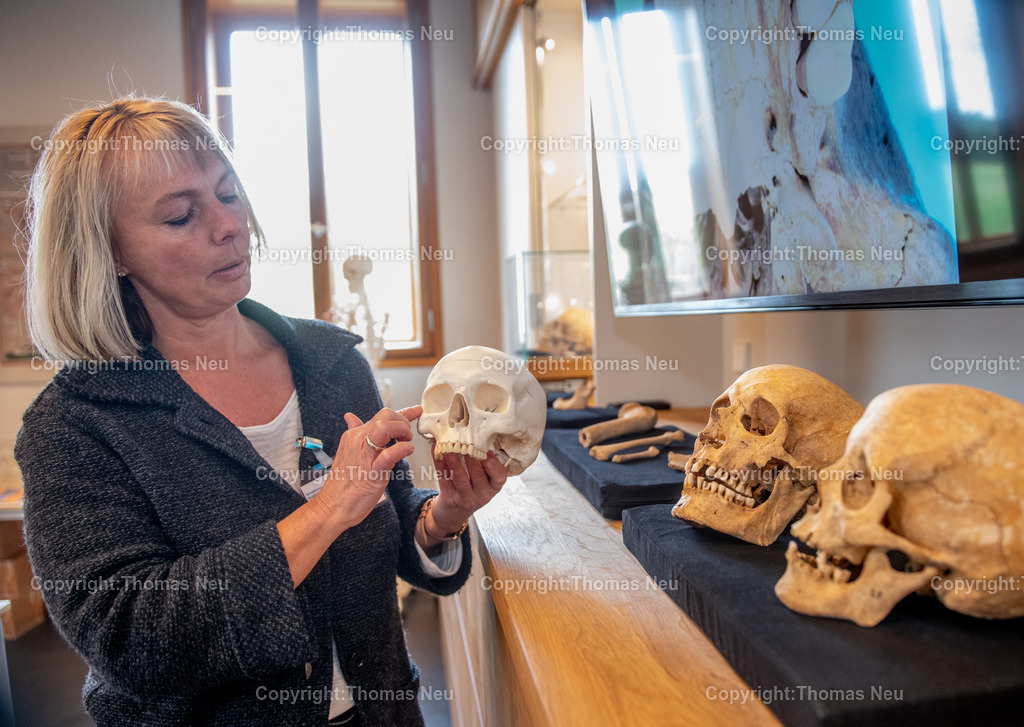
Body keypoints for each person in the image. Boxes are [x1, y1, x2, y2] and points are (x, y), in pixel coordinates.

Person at [16, 97, 507, 726]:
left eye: (228, 194)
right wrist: (328, 509)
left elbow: (383, 520)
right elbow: (132, 641)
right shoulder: (77, 425)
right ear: (109, 251)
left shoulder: (332, 364)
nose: (227, 226)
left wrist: (442, 516)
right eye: (180, 216)